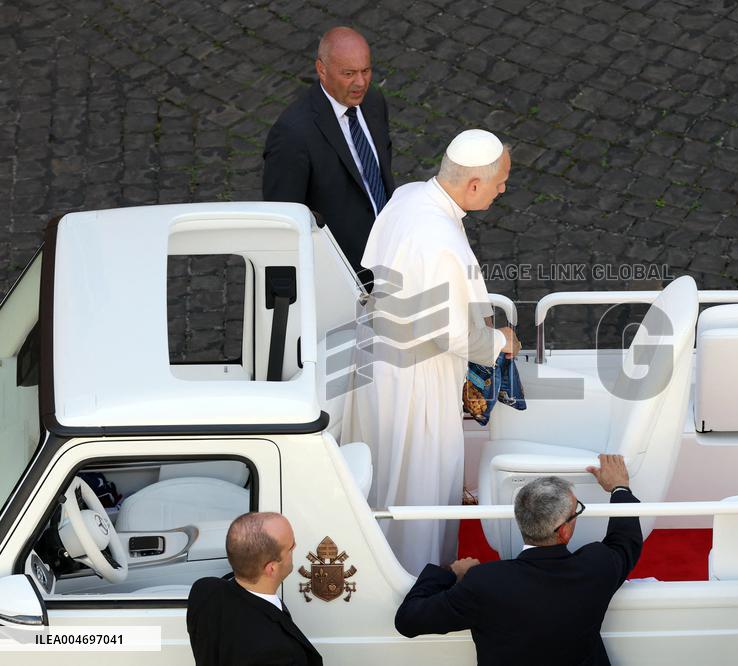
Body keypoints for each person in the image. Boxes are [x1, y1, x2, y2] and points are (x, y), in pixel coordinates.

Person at [343, 129, 520, 575]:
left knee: (387, 469)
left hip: (380, 353)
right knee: (421, 474)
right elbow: (452, 334)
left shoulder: (409, 196)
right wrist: (501, 341)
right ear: (473, 185)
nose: (503, 190)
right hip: (417, 375)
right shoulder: (439, 239)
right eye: (500, 182)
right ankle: (414, 574)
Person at [394, 454, 642, 666]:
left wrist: (451, 572)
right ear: (564, 531)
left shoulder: (483, 582)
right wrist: (620, 487)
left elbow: (408, 620)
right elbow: (625, 540)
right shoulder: (596, 566)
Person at [263, 26, 394, 281]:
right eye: (349, 73)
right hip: (340, 276)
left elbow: (380, 174)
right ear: (322, 69)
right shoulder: (292, 134)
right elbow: (283, 223)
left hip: (391, 258)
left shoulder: (374, 102)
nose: (361, 83)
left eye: (366, 71)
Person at [187, 512, 322, 666]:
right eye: (291, 547)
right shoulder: (279, 654)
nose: (295, 547)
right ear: (271, 568)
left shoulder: (204, 591)